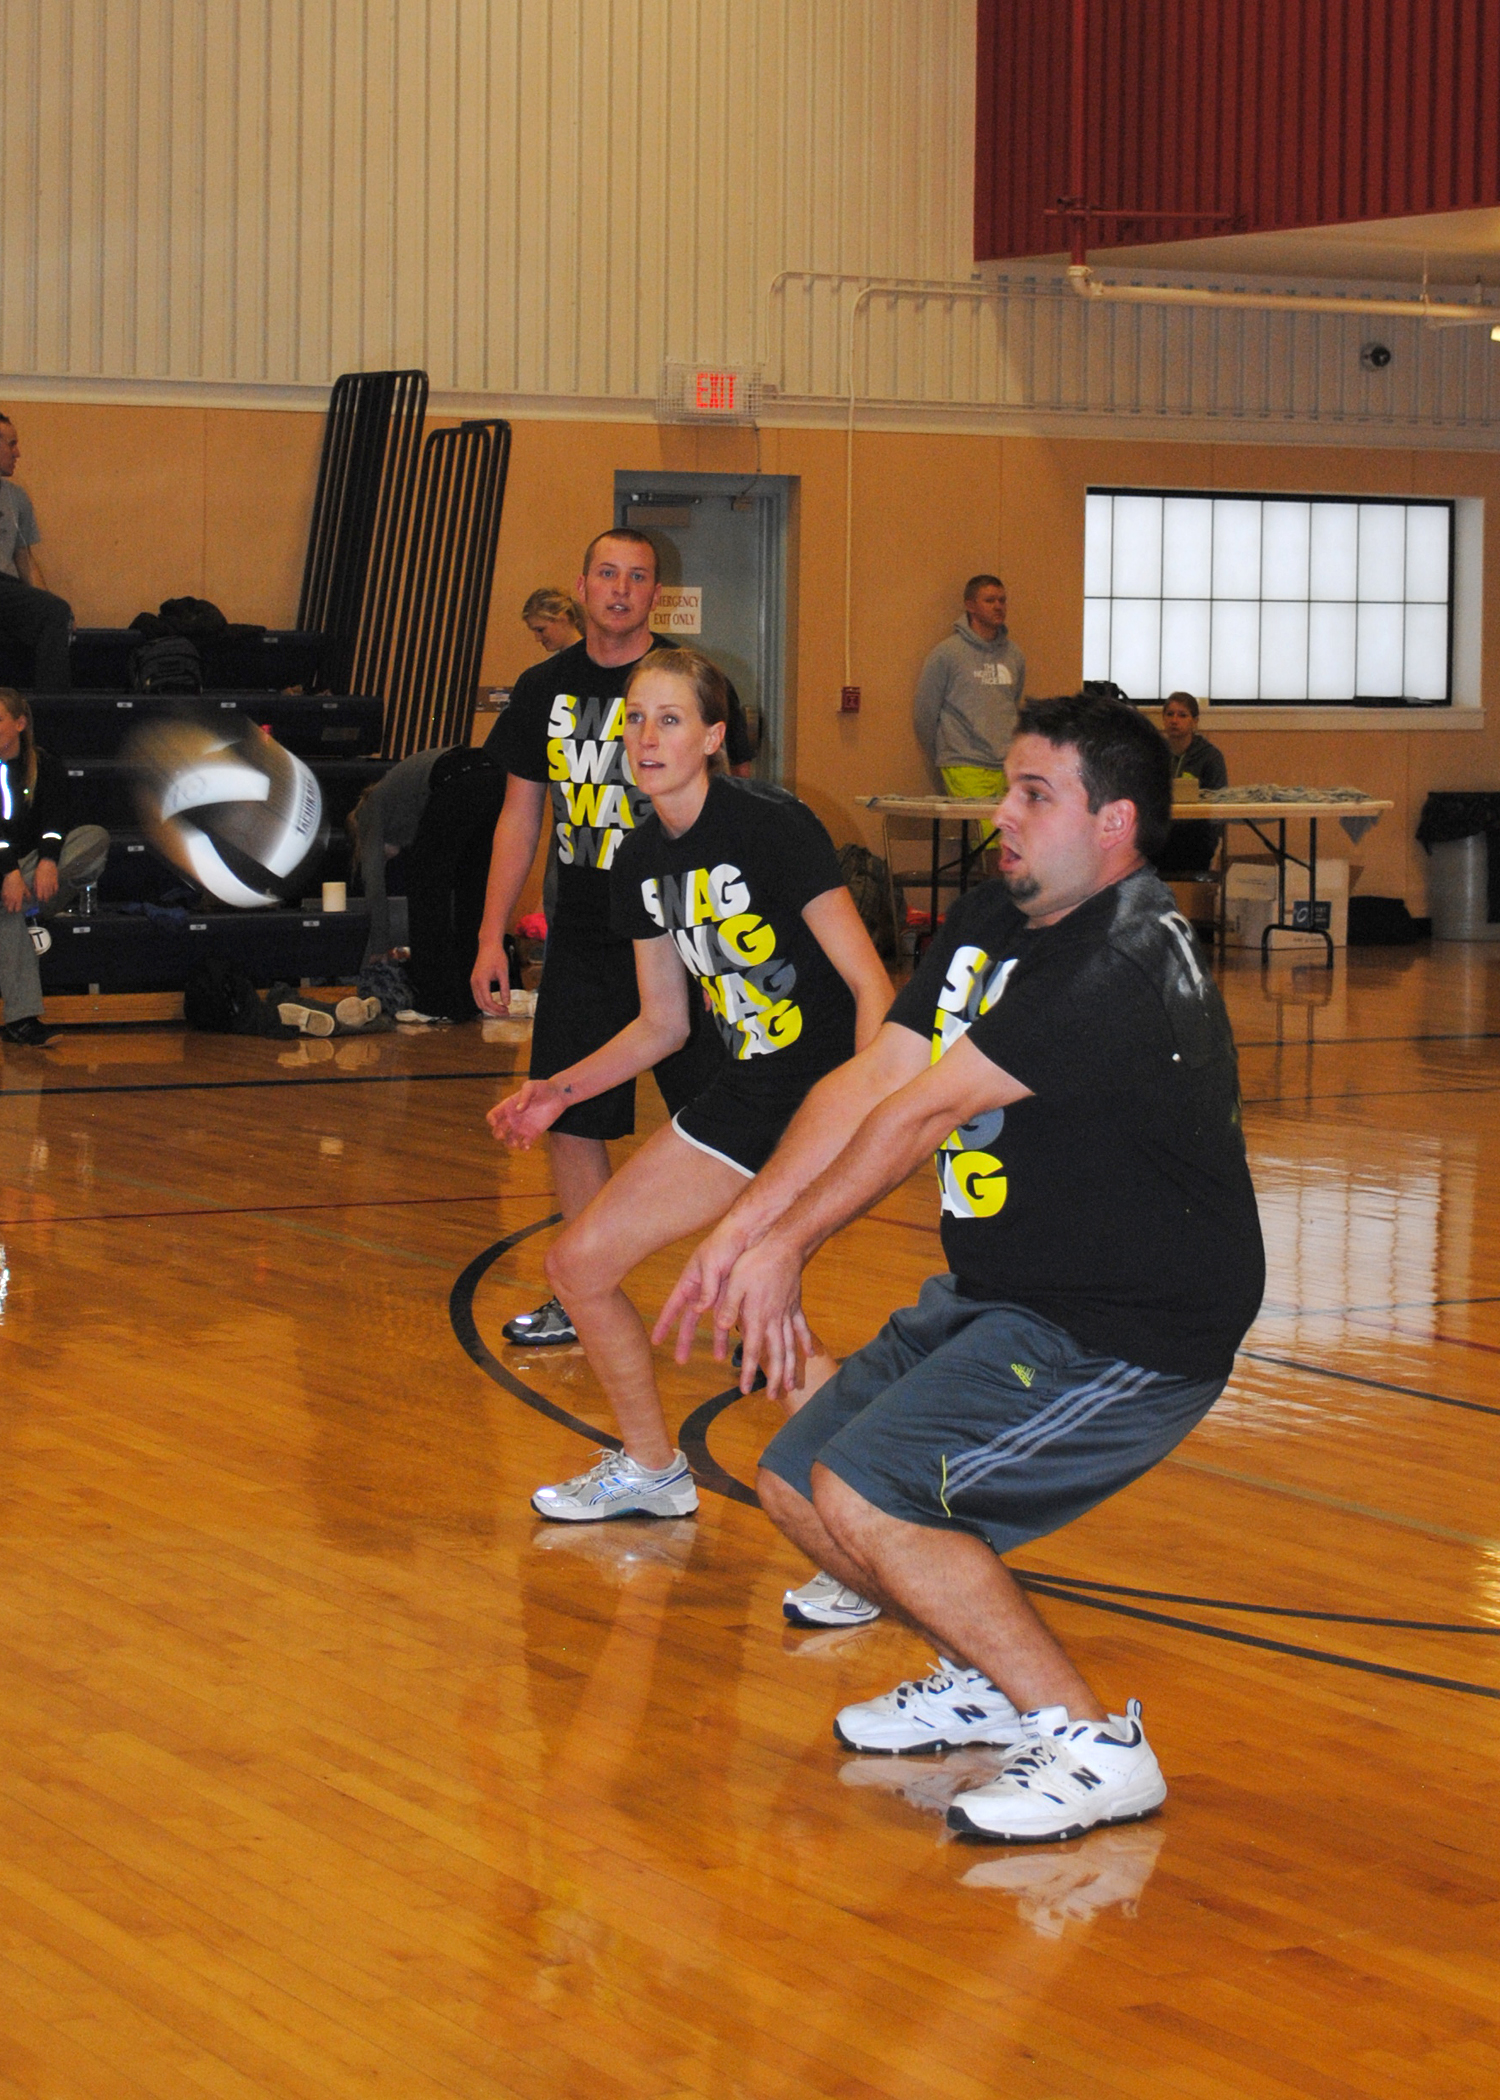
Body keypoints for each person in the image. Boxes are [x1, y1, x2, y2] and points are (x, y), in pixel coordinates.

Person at [656, 694, 1264, 1845]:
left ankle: (1095, 1747)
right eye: (1006, 792)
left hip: (1125, 1326)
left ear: (1118, 823)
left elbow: (922, 1115)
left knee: (873, 1487)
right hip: (1006, 1293)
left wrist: (788, 1247)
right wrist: (743, 1224)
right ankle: (985, 1675)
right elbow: (873, 1077)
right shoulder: (997, 915)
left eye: (1037, 797)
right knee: (797, 1473)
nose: (1007, 818)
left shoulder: (1119, 957)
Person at [488, 646, 891, 1521]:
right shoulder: (636, 862)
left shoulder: (774, 828)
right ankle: (651, 1469)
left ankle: (874, 1532)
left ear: (712, 737)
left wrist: (858, 1113)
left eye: (668, 720)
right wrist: (557, 1089)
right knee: (579, 1265)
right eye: (633, 719)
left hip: (822, 1094)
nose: (645, 735)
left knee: (756, 1300)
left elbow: (871, 987)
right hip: (746, 1089)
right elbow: (663, 1025)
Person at [470, 527, 755, 1349]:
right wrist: (493, 935)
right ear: (582, 584)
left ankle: (748, 1301)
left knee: (720, 1118)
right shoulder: (542, 689)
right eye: (607, 574)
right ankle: (581, 1285)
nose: (621, 590)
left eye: (638, 578)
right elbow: (521, 816)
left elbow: (727, 807)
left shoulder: (685, 680)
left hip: (681, 927)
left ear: (654, 594)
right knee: (573, 1118)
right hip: (586, 931)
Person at [351, 746, 509, 1021]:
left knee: (425, 890)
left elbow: (374, 884)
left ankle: (436, 1000)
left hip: (457, 776)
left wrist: (378, 946)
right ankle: (473, 996)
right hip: (496, 777)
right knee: (471, 892)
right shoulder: (410, 803)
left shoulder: (370, 808)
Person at [0, 688, 109, 1046]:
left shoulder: (45, 764)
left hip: (37, 870)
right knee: (7, 910)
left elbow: (55, 822)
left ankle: (24, 897)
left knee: (94, 838)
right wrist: (10, 874)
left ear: (19, 723)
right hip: (6, 871)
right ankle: (21, 1020)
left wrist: (48, 860)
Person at [912, 575, 1025, 799]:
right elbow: (924, 712)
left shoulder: (1014, 655)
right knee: (983, 832)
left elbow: (1013, 702)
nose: (998, 607)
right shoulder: (947, 654)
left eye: (1002, 601)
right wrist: (948, 752)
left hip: (1006, 763)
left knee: (1008, 833)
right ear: (970, 605)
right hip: (964, 763)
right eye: (990, 600)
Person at [0, 415, 72, 694]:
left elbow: (24, 559)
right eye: (11, 444)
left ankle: (48, 708)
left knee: (55, 613)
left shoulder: (16, 497)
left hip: (6, 588)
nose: (18, 453)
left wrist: (53, 606)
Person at [1154, 691, 1227, 879]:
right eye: (1169, 714)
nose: (1174, 720)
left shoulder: (1210, 757)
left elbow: (1218, 803)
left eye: (1182, 715)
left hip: (1194, 839)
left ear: (1195, 721)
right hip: (1159, 836)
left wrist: (1210, 844)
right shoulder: (1154, 753)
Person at [520, 587, 583, 656]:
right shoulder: (553, 664)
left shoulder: (593, 657)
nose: (537, 638)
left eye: (540, 630)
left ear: (562, 618)